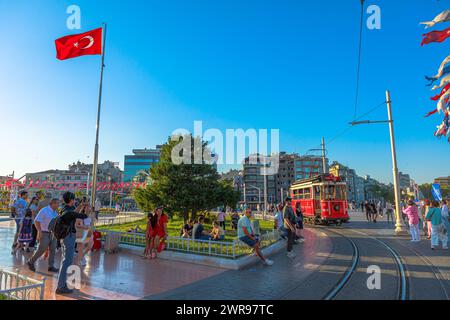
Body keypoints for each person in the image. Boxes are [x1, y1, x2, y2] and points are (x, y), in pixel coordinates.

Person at [56, 192, 88, 295]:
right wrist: (86, 208)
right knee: (67, 262)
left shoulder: (64, 209)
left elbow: (73, 212)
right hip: (69, 237)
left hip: (65, 237)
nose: (75, 201)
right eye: (74, 199)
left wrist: (80, 206)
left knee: (65, 261)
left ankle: (61, 285)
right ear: (71, 200)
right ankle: (61, 287)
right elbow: (84, 216)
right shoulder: (69, 212)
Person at [27, 199, 60, 273]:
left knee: (53, 250)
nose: (59, 206)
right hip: (44, 232)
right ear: (53, 203)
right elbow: (36, 220)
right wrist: (39, 231)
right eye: (58, 204)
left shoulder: (55, 212)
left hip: (53, 233)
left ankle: (51, 266)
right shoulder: (44, 210)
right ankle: (31, 261)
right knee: (42, 249)